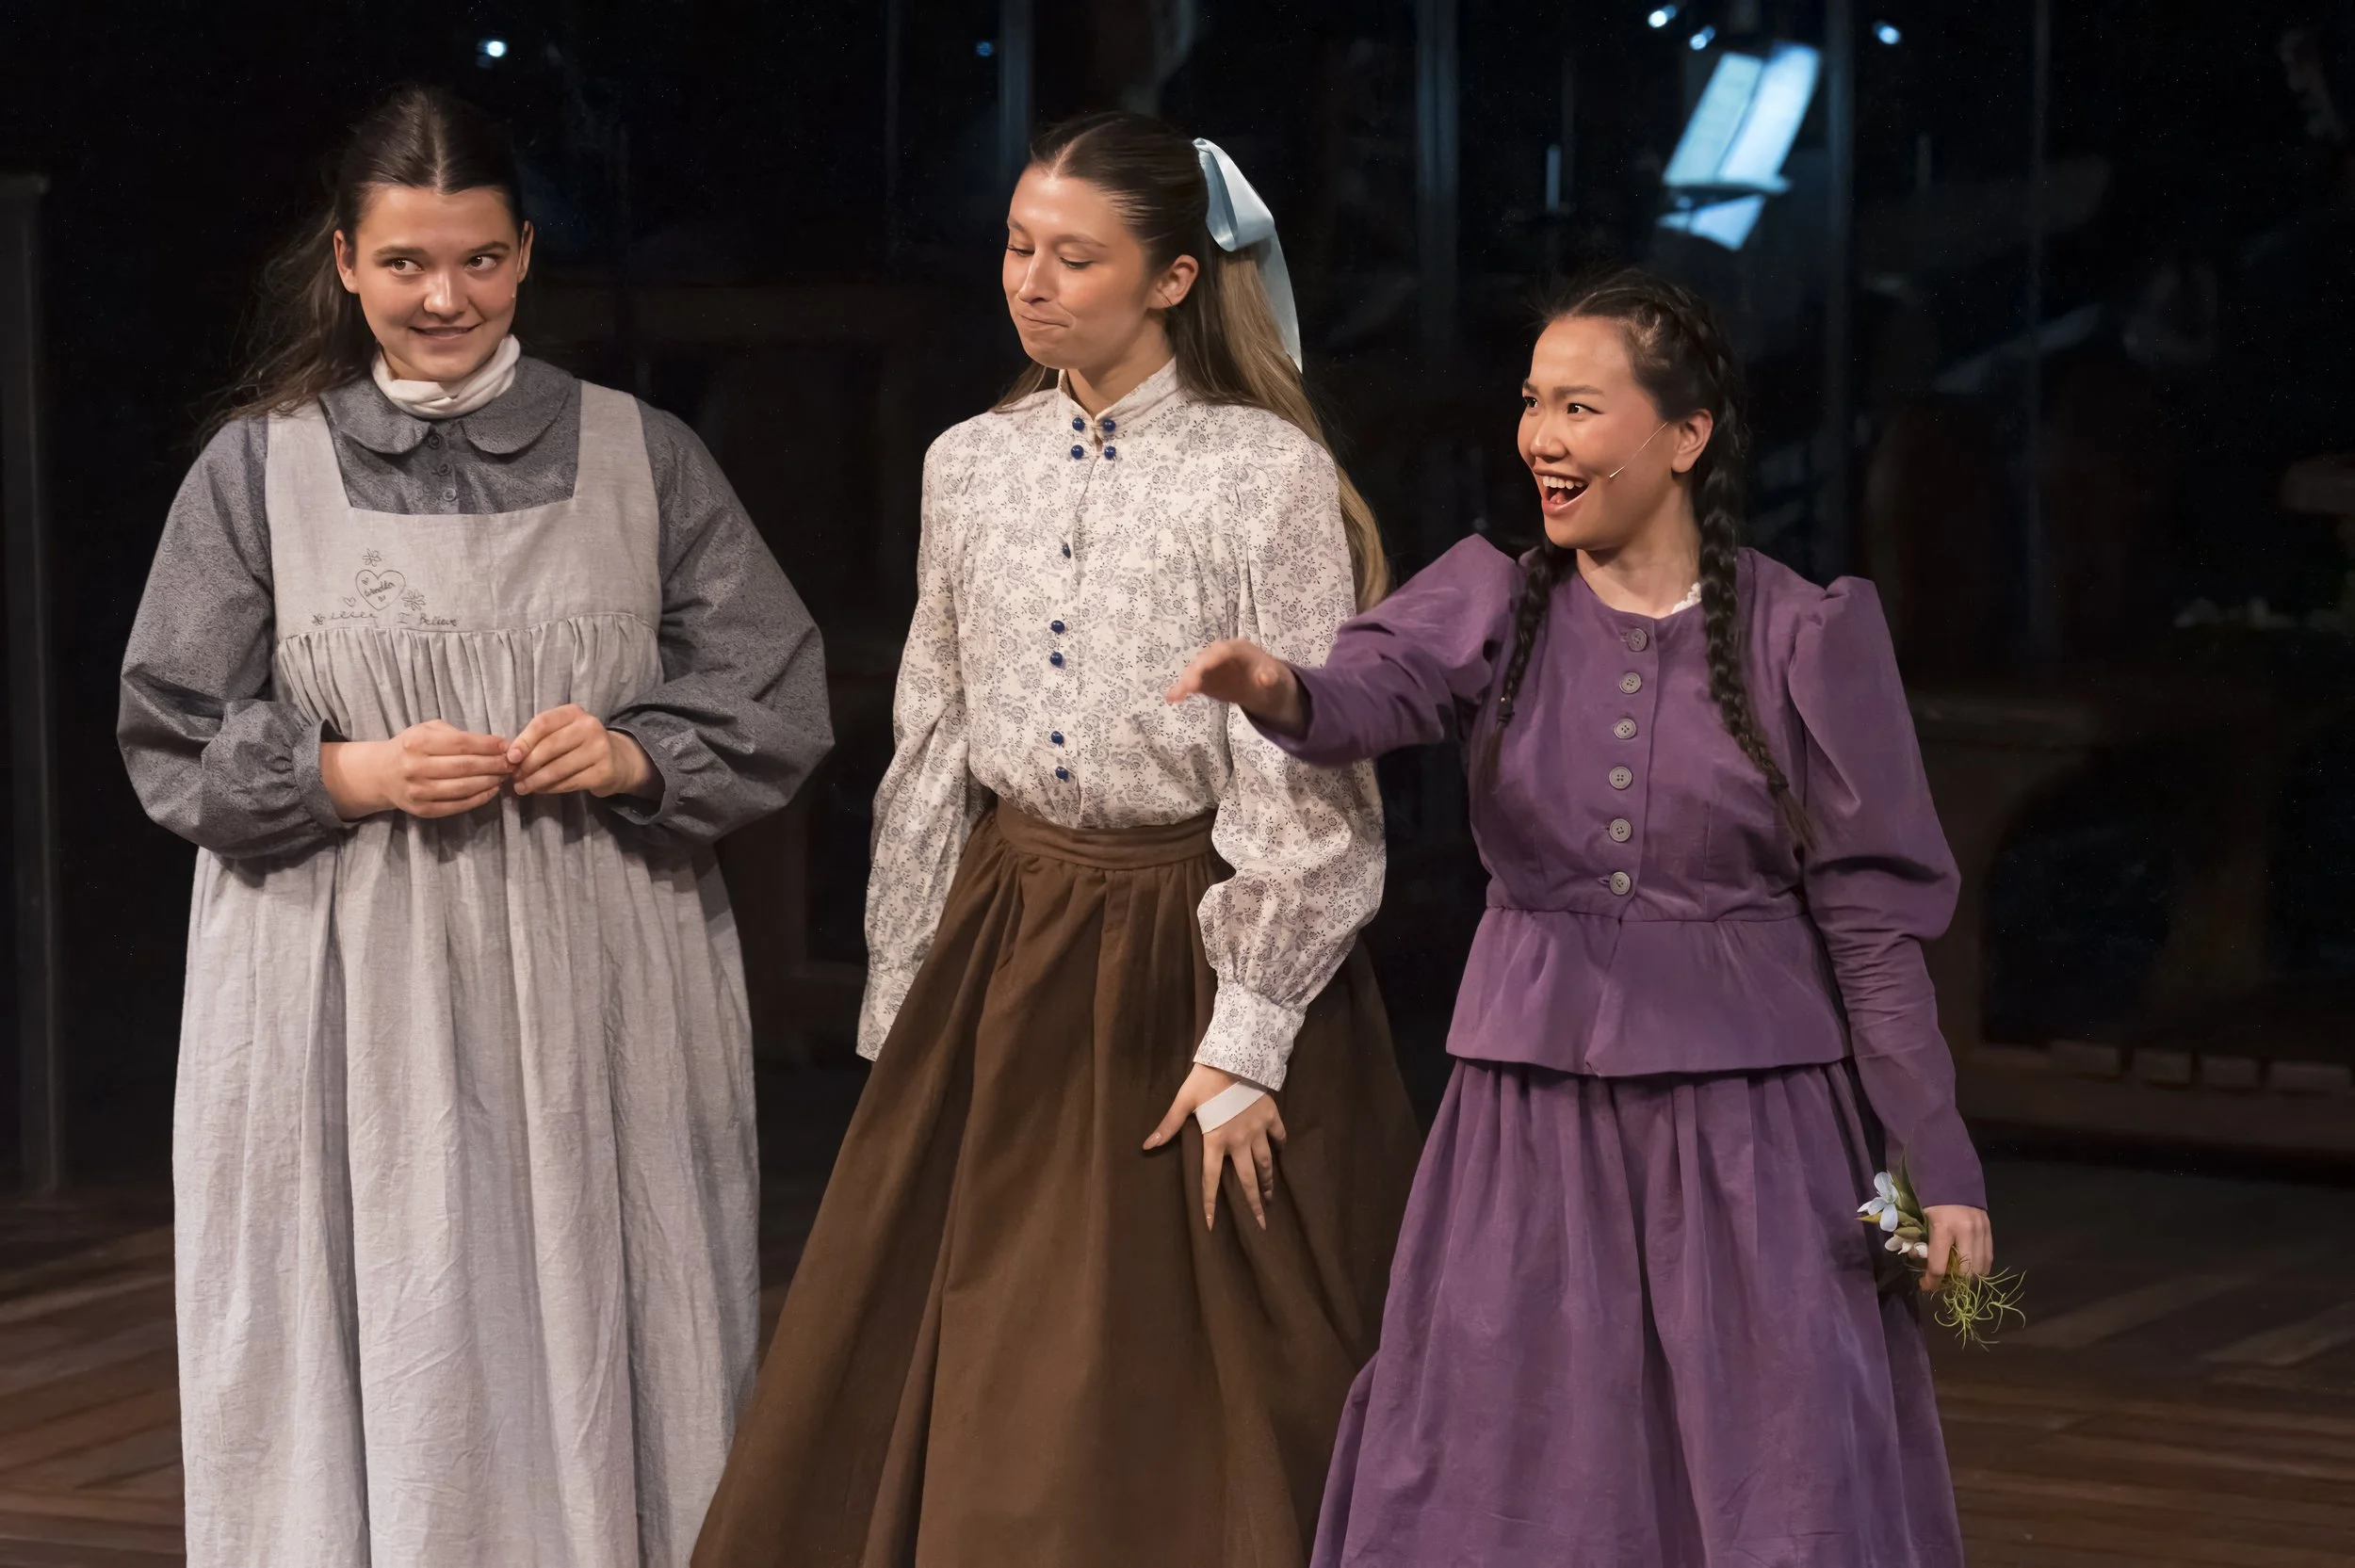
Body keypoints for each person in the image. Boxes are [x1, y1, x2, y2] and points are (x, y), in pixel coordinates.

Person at [1170, 267, 1986, 1567]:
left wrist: (1936, 1162)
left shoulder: (1805, 635)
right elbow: (1375, 686)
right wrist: (1281, 688)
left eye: (1579, 407)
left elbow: (1875, 931)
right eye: (1532, 402)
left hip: (1751, 1126)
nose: (1540, 438)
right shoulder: (1495, 600)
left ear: (1686, 434)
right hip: (1531, 1113)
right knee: (1508, 1445)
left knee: (1771, 1451)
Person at [692, 111, 1419, 1568]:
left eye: (1075, 256)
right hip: (1012, 934)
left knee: (1201, 1357)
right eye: (1019, 246)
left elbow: (1310, 779)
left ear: (1172, 278)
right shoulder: (972, 462)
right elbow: (932, 733)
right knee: (979, 1334)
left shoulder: (1260, 474)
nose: (1031, 281)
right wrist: (906, 989)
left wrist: (1250, 1037)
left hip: (1194, 940)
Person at [118, 85, 831, 1568]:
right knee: (385, 1296)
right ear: (345, 261)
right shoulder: (261, 468)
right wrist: (343, 776)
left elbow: (771, 686)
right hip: (344, 980)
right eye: (405, 263)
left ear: (525, 258)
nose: (444, 298)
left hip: (596, 969)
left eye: (479, 260)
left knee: (600, 1294)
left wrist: (633, 753)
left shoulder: (642, 454)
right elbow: (169, 726)